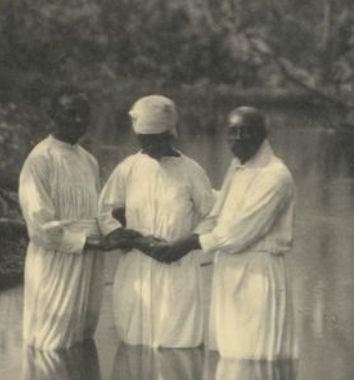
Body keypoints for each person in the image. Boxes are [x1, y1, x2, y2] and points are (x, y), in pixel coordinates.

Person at [153, 106, 297, 360]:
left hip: (257, 273)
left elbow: (238, 233)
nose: (238, 139)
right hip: (228, 270)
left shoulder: (275, 175)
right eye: (233, 132)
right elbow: (218, 213)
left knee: (253, 357)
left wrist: (188, 243)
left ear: (263, 134)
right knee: (228, 356)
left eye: (246, 132)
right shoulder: (238, 166)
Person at [97, 95, 215, 348]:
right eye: (144, 140)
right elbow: (104, 212)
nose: (150, 146)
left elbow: (213, 216)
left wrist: (185, 244)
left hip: (178, 269)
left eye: (156, 139)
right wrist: (134, 240)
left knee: (178, 348)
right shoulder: (128, 168)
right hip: (136, 270)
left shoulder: (191, 171)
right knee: (134, 345)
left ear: (170, 134)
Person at [18, 86, 104, 351]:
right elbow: (40, 228)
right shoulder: (39, 160)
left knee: (81, 337)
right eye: (71, 113)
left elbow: (96, 212)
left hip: (88, 261)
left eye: (84, 114)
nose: (79, 120)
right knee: (50, 341)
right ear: (53, 115)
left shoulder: (89, 161)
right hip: (55, 261)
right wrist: (88, 242)